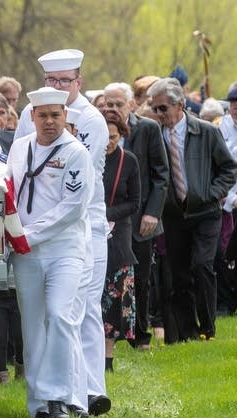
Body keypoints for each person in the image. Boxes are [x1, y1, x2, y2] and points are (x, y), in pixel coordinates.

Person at [17, 49, 110, 416]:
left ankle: (85, 390)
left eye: (64, 81)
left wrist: (29, 232)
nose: (57, 87)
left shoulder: (92, 121)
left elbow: (73, 192)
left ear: (78, 82)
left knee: (75, 311)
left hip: (81, 226)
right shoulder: (30, 120)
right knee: (45, 319)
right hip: (31, 234)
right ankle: (56, 398)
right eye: (51, 81)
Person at [7, 87, 94, 418]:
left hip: (63, 250)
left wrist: (26, 236)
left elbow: (71, 209)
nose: (49, 121)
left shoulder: (75, 152)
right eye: (42, 115)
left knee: (58, 316)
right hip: (25, 253)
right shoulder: (19, 147)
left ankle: (58, 398)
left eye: (56, 115)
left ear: (65, 116)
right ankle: (38, 405)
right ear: (32, 117)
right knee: (33, 327)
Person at [148, 77, 236, 342]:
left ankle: (208, 327)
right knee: (180, 275)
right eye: (155, 109)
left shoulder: (206, 131)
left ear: (180, 105)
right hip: (174, 214)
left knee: (202, 265)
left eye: (163, 108)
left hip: (205, 212)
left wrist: (211, 194)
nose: (158, 114)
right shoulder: (155, 135)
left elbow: (229, 169)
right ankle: (187, 331)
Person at [103, 82, 169, 350]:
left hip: (141, 216)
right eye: (109, 104)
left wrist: (153, 212)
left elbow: (161, 174)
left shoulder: (149, 129)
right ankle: (109, 335)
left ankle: (140, 334)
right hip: (108, 220)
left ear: (131, 104)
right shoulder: (97, 130)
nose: (113, 109)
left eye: (118, 104)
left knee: (141, 279)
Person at [101, 112, 141, 372]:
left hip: (119, 235)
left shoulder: (129, 162)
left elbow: (135, 202)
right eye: (104, 138)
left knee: (114, 297)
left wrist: (107, 214)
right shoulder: (87, 157)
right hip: (90, 233)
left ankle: (108, 359)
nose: (108, 143)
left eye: (113, 138)